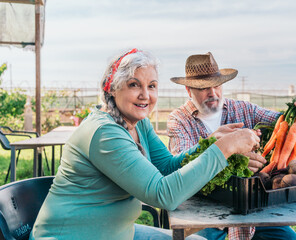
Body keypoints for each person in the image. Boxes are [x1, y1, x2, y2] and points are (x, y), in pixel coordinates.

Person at [29, 49, 261, 240]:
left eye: (151, 86)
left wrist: (209, 143)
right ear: (112, 89)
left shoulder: (138, 124)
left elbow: (169, 167)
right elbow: (163, 195)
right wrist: (224, 149)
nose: (145, 95)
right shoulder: (105, 133)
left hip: (119, 233)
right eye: (133, 85)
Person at [167, 52, 296, 240]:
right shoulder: (179, 121)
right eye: (203, 88)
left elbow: (280, 120)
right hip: (204, 214)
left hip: (252, 211)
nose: (212, 93)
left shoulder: (243, 109)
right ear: (189, 90)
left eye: (216, 85)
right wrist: (232, 158)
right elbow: (184, 169)